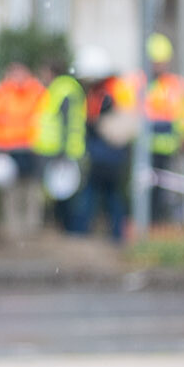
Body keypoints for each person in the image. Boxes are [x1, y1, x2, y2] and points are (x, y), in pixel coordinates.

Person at [70, 45, 139, 242]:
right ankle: (108, 233)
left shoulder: (113, 90)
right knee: (105, 193)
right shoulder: (102, 90)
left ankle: (96, 232)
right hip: (104, 150)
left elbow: (123, 124)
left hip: (109, 151)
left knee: (102, 193)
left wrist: (99, 124)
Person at [0, 62, 46, 234]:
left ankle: (32, 227)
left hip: (31, 148)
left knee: (32, 188)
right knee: (10, 190)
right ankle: (13, 228)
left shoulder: (37, 93)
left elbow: (45, 119)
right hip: (7, 149)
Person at [34, 59, 90, 233]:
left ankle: (73, 230)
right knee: (61, 192)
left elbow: (66, 122)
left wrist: (63, 151)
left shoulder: (63, 89)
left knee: (67, 193)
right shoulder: (61, 88)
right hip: (61, 150)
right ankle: (66, 229)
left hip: (65, 151)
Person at [143, 32, 184, 224]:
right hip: (145, 149)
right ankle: (148, 223)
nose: (158, 66)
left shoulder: (175, 84)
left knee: (166, 193)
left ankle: (161, 224)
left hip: (169, 148)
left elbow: (183, 114)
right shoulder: (141, 83)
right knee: (147, 192)